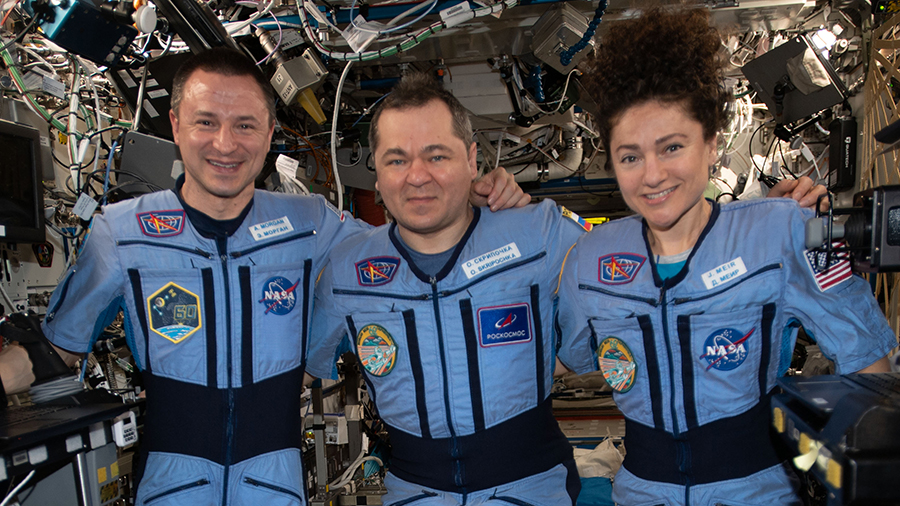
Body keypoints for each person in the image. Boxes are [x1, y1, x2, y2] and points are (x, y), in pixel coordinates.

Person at [40, 48, 527, 506]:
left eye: (245, 125)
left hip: (275, 485)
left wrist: (472, 199)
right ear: (175, 125)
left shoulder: (311, 223)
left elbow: (409, 243)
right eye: (205, 122)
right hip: (170, 486)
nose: (225, 144)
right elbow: (57, 349)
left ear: (270, 132)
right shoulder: (120, 232)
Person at [556, 8, 894, 506]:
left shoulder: (783, 230)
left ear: (711, 144)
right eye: (630, 156)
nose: (652, 175)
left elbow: (870, 364)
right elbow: (566, 361)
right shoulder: (590, 259)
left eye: (672, 147)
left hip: (759, 490)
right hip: (644, 492)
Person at [306, 73, 589, 505]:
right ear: (377, 175)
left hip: (533, 487)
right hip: (413, 491)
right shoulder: (349, 270)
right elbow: (307, 373)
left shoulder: (539, 234)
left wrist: (544, 363)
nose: (417, 176)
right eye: (397, 160)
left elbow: (629, 313)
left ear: (473, 160)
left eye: (436, 156)